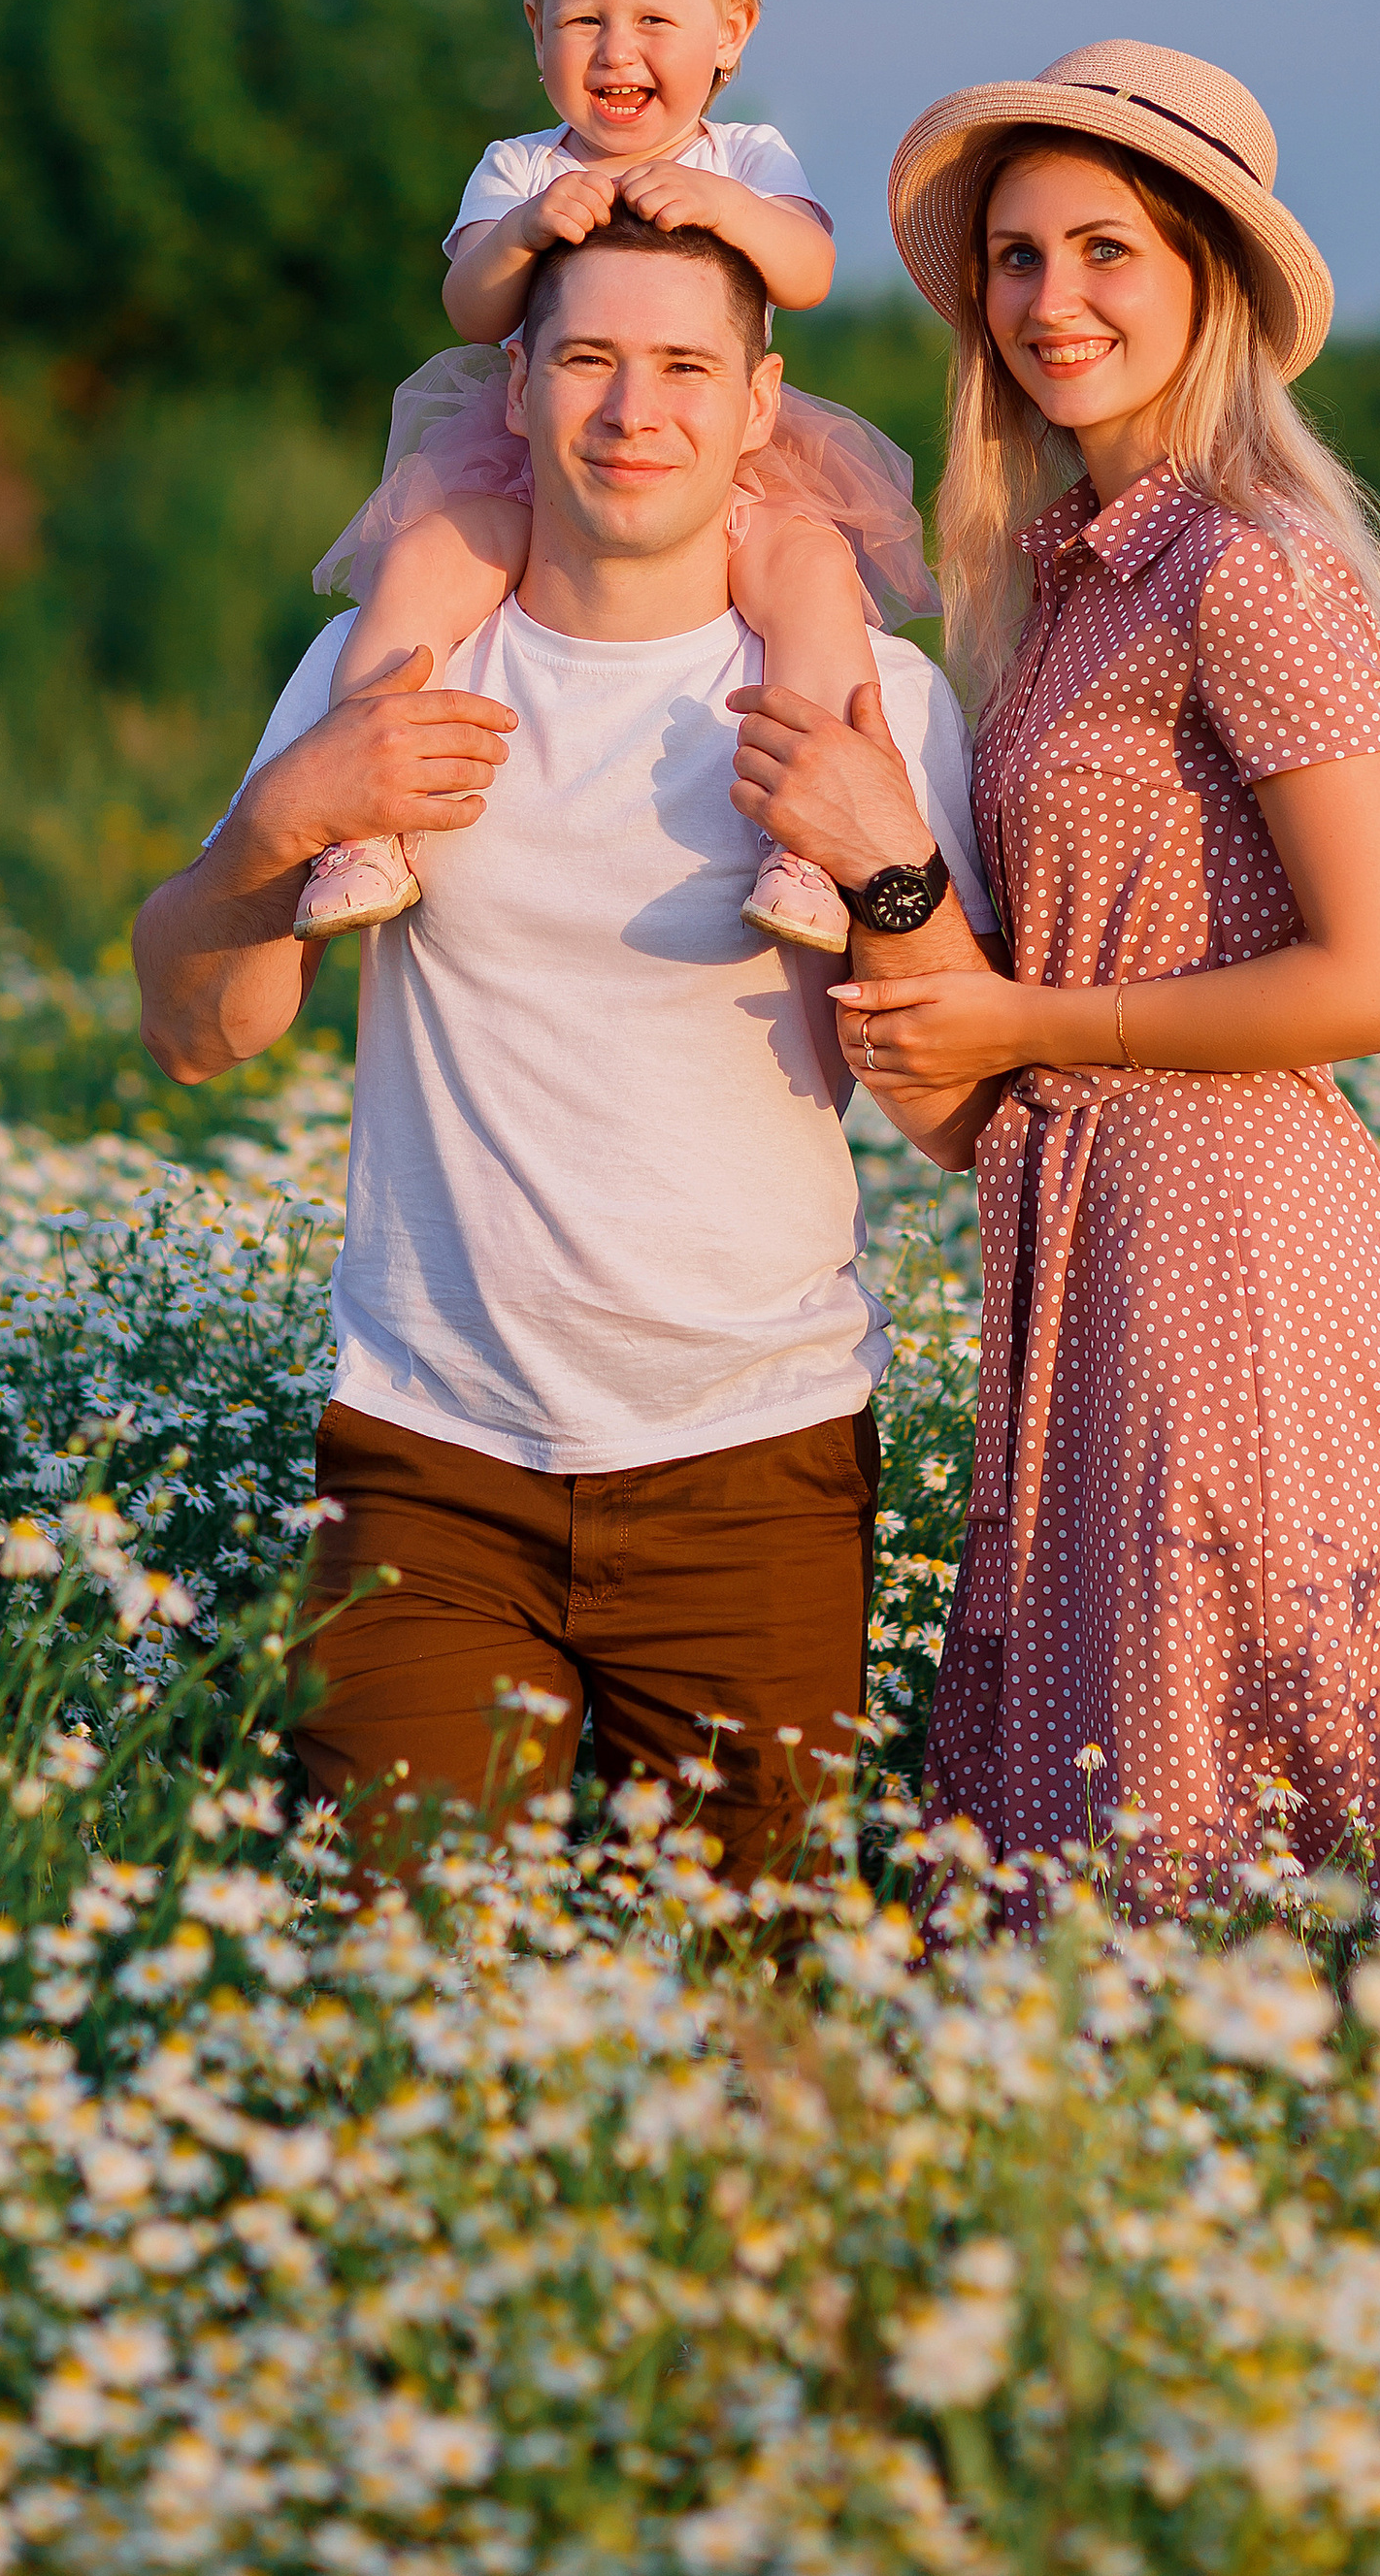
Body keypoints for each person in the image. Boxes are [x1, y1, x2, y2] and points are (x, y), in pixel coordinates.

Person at [131, 214, 994, 1892]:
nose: (633, 411)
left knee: (755, 2004)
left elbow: (950, 1113)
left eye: (685, 367)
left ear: (762, 408)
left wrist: (887, 870)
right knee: (402, 1998)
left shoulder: (866, 691)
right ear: (515, 387)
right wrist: (279, 826)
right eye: (589, 360)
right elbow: (198, 1032)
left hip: (758, 1459)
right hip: (429, 1461)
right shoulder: (387, 666)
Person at [827, 41, 1380, 1904]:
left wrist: (1031, 1021)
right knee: (1090, 1835)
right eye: (1017, 259)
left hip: (1237, 1262)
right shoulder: (1066, 582)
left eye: (1106, 251)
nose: (1050, 302)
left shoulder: (1242, 572)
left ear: (1208, 283)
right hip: (1087, 1246)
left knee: (1198, 1840)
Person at [295, 0, 934, 961]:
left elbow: (807, 270)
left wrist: (722, 206)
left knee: (812, 573)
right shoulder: (522, 168)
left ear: (730, 33)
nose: (616, 50)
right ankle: (365, 818)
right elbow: (471, 308)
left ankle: (817, 836)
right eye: (584, 19)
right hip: (532, 459)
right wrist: (527, 232)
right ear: (537, 31)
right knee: (428, 562)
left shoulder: (745, 157)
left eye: (655, 21)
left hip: (719, 467)